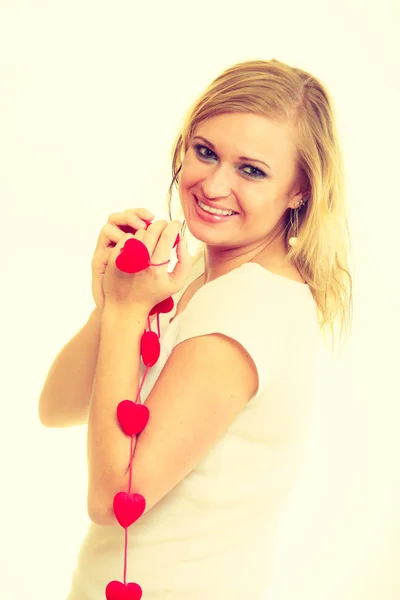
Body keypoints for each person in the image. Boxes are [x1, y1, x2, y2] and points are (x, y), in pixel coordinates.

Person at [39, 58, 353, 599]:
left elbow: (116, 498)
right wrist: (108, 306)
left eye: (251, 170)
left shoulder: (247, 307)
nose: (213, 184)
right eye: (205, 151)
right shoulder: (198, 278)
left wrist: (125, 310)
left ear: (300, 191)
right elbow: (58, 407)